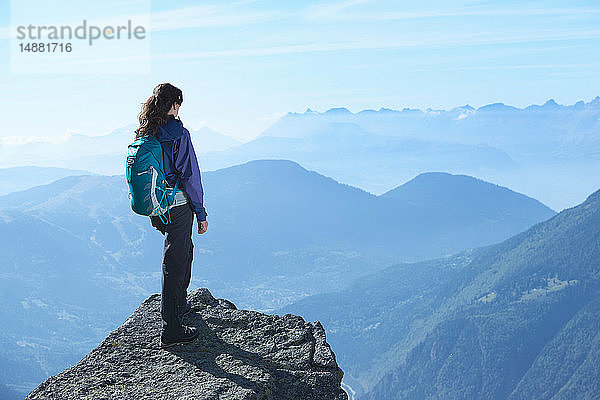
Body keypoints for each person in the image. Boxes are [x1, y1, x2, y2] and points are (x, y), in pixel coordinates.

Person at [134, 83, 209, 348]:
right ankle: (172, 329)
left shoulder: (147, 130)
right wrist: (200, 212)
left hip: (156, 206)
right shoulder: (179, 133)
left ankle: (178, 306)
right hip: (177, 206)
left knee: (182, 251)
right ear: (174, 104)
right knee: (175, 261)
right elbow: (190, 175)